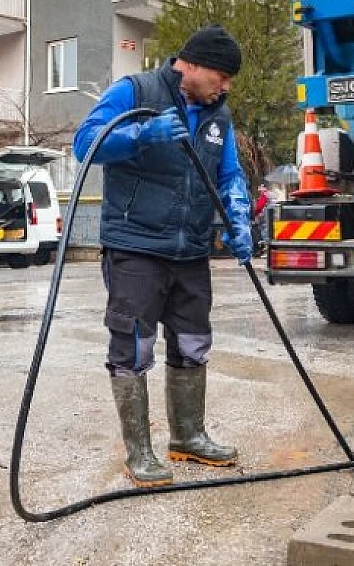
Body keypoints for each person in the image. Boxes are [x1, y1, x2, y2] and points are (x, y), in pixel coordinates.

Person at [73, 25, 253, 487]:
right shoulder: (135, 91)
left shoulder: (219, 116)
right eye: (221, 74)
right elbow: (85, 143)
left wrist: (238, 218)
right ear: (189, 63)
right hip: (135, 245)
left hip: (190, 249)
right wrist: (143, 133)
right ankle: (139, 452)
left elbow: (229, 174)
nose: (226, 84)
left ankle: (188, 436)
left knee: (193, 341)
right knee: (132, 346)